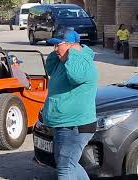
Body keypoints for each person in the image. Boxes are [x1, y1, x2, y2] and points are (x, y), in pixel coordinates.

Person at [43, 30, 99, 180]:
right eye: (53, 45)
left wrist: (74, 52)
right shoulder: (65, 61)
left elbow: (77, 77)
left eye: (57, 45)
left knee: (65, 169)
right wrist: (59, 53)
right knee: (69, 165)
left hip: (75, 126)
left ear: (71, 45)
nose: (55, 49)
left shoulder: (80, 61)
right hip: (65, 124)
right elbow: (49, 68)